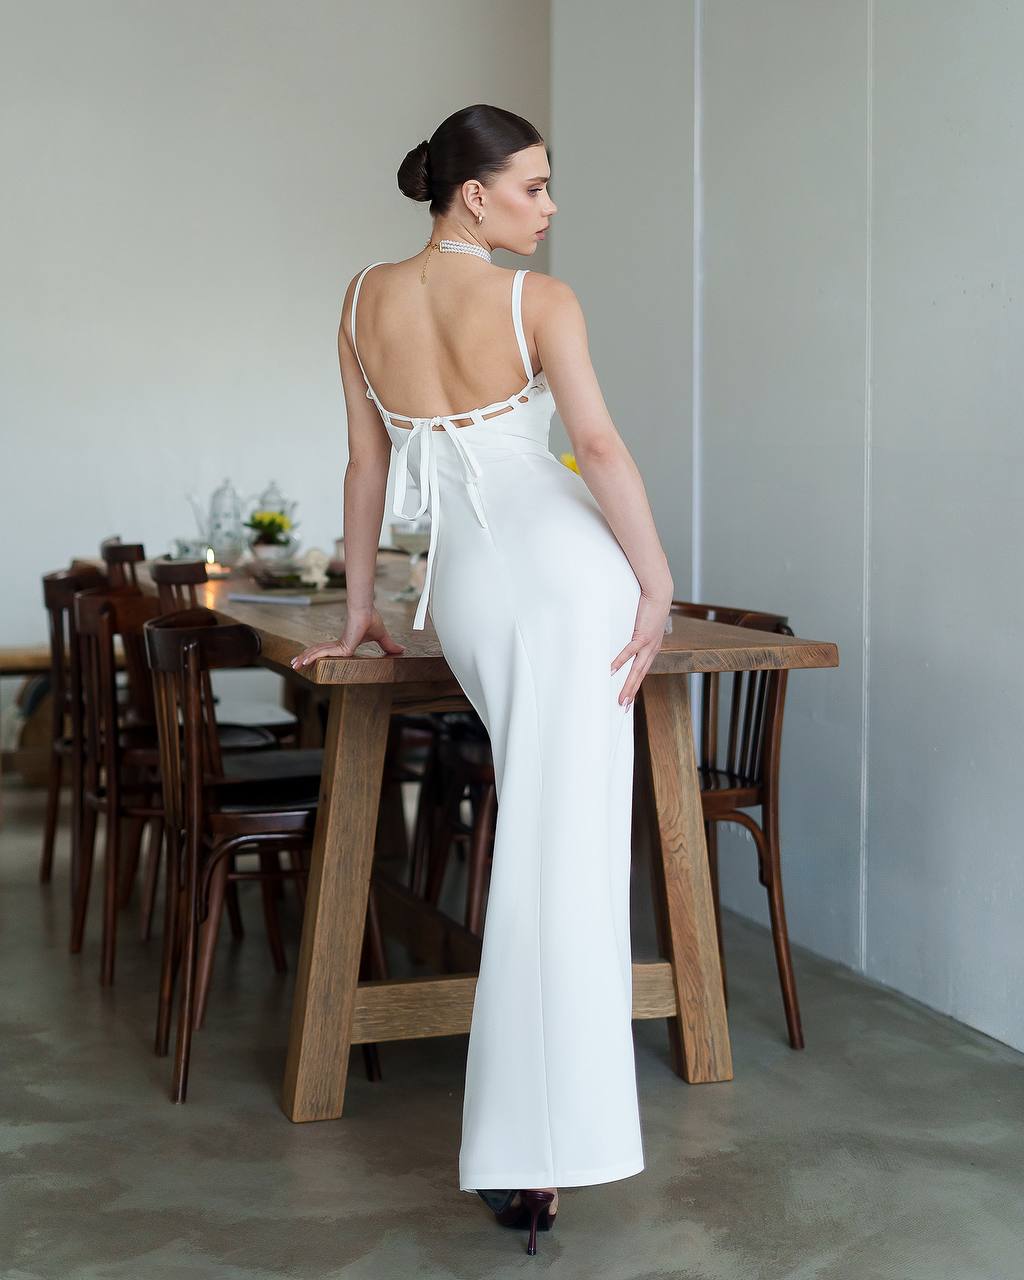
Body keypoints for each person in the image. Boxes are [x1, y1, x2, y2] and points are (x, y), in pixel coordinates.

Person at [290, 104, 673, 1256]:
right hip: (566, 581)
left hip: (463, 591)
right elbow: (597, 449)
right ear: (475, 194)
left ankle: (534, 1143)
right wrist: (656, 585)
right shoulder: (537, 302)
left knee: (543, 842)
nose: (549, 209)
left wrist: (366, 607)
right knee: (569, 848)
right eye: (536, 187)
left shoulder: (361, 298)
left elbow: (365, 465)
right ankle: (534, 1149)